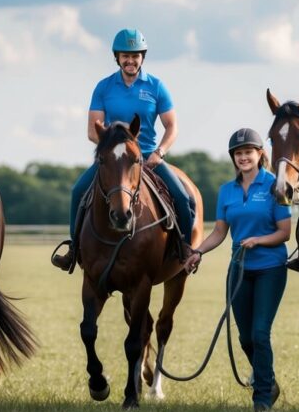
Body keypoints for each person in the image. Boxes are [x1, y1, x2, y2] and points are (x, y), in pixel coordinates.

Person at [51, 29, 196, 271]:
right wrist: (112, 147)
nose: (130, 60)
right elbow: (91, 130)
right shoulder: (104, 87)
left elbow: (172, 126)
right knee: (78, 191)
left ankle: (185, 249)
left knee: (183, 197)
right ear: (117, 58)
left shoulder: (156, 86)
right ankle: (74, 249)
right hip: (114, 158)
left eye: (135, 56)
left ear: (142, 57)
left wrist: (159, 152)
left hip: (149, 156)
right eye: (125, 56)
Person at [183, 128, 291, 412]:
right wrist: (198, 252)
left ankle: (262, 399)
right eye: (238, 153)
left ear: (260, 154)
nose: (243, 157)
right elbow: (219, 232)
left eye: (248, 152)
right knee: (245, 337)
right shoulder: (226, 191)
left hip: (270, 268)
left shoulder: (277, 186)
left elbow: (285, 232)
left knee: (259, 333)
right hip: (239, 269)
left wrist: (258, 240)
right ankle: (267, 379)